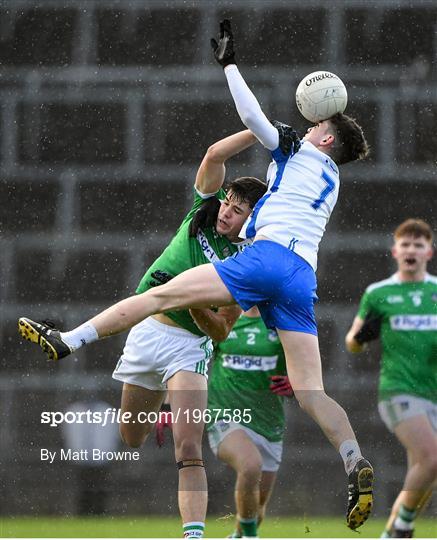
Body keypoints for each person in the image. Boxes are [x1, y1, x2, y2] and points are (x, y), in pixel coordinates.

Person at [18, 19, 374, 529]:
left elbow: (251, 114)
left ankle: (69, 341)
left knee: (160, 293)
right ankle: (353, 459)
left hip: (266, 259)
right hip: (301, 276)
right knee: (312, 390)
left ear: (325, 139)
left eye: (321, 126)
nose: (313, 125)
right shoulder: (332, 176)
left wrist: (229, 64)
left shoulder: (298, 151)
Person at [345, 219, 437, 538]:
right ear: (395, 251)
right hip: (398, 390)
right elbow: (351, 343)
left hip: (433, 392)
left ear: (430, 252)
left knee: (424, 471)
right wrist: (362, 336)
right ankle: (403, 525)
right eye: (406, 244)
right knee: (432, 457)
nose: (411, 250)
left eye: (418, 245)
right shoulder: (379, 293)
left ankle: (391, 532)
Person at [201, 305, 292, 538]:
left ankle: (239, 535)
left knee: (257, 508)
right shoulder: (224, 317)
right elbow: (188, 358)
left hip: (269, 423)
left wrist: (296, 384)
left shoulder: (284, 322)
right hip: (225, 416)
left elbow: (306, 369)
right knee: (250, 465)